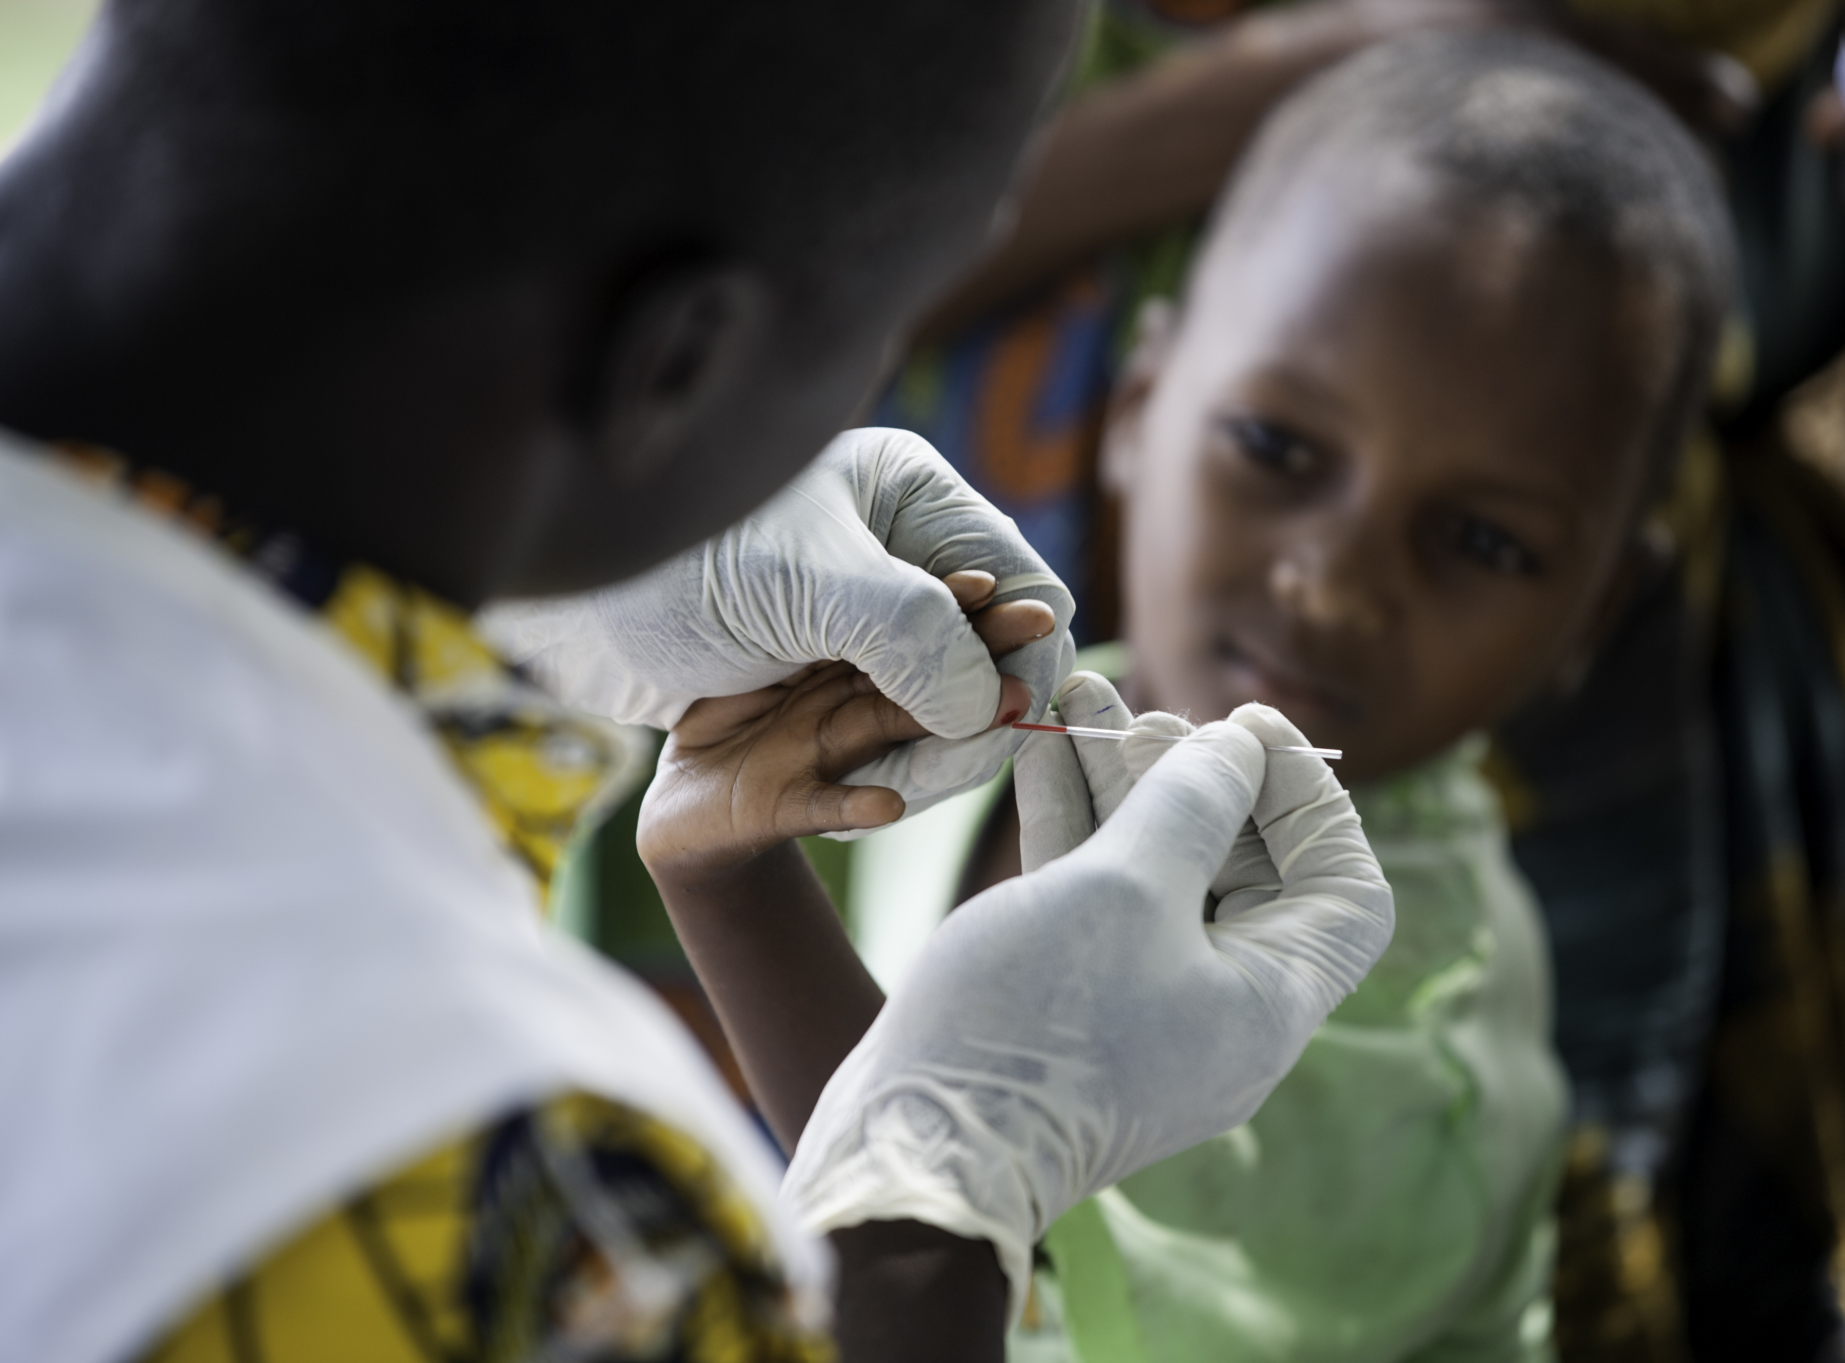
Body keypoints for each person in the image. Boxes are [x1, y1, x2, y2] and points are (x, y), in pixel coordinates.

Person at [0, 1, 1399, 1360]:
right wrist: (935, 1196)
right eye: (877, 334)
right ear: (676, 361)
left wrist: (515, 619)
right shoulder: (529, 1198)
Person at [509, 28, 1735, 1363]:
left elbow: (960, 1265)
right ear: (1141, 408)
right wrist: (725, 871)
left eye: (1485, 542)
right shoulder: (1040, 705)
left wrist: (748, 916)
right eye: (1277, 447)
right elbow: (909, 1161)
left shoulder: (1402, 1041)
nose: (1331, 586)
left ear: (1595, 618)